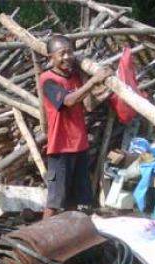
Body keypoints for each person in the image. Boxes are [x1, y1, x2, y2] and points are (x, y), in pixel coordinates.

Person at [40, 34, 113, 218]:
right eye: (61, 54)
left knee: (81, 202)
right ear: (51, 57)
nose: (67, 57)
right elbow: (69, 101)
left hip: (79, 145)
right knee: (55, 202)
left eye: (70, 52)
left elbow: (87, 105)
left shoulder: (75, 77)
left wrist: (99, 84)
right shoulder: (48, 79)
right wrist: (93, 81)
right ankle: (40, 239)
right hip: (60, 147)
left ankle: (76, 239)